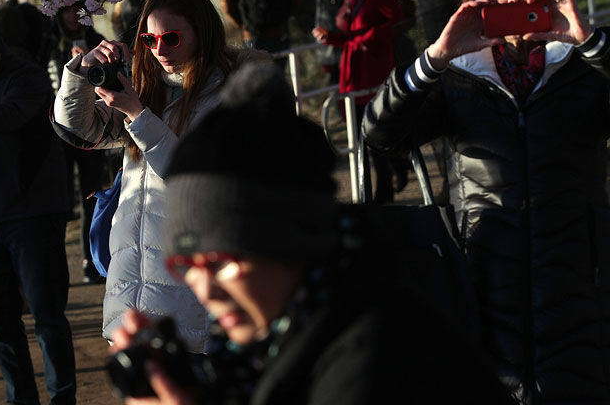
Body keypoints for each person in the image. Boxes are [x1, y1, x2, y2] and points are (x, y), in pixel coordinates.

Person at [108, 62, 516, 405]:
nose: (205, 289)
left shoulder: (377, 359)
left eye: (221, 261)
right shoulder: (262, 346)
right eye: (187, 265)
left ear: (291, 238)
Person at [362, 0, 610, 404]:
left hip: (579, 286)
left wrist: (590, 44)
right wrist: (434, 59)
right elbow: (380, 135)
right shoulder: (459, 77)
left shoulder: (584, 70)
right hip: (482, 282)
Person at [52, 0, 270, 351]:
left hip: (190, 302)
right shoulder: (147, 85)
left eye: (170, 38)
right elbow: (76, 129)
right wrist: (82, 71)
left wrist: (138, 114)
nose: (159, 50)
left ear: (201, 34)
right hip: (130, 298)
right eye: (149, 41)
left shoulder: (233, 95)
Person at [0, 15, 76, 404]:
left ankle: (63, 398)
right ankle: (21, 400)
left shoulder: (28, 79)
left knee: (47, 318)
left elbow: (4, 118)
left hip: (34, 217)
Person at [313, 0, 408, 203]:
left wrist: (367, 38)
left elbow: (397, 24)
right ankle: (383, 180)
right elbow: (348, 31)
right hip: (352, 70)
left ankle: (383, 189)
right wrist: (330, 37)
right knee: (360, 133)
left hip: (372, 72)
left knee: (371, 132)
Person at [48, 0, 108, 283]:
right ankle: (55, 266)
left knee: (90, 195)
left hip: (91, 129)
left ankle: (90, 259)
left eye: (78, 10)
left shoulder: (97, 39)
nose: (72, 16)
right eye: (67, 10)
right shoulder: (48, 42)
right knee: (59, 199)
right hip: (58, 132)